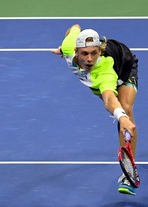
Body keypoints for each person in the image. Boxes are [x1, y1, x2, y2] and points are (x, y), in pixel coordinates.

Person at [52, 24, 139, 196]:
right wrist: (63, 48)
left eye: (94, 53)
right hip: (93, 77)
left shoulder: (105, 70)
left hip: (123, 64)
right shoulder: (70, 46)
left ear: (100, 51)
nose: (90, 58)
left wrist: (121, 116)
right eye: (85, 53)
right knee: (116, 109)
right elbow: (75, 27)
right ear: (76, 51)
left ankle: (129, 171)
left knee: (124, 108)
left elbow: (108, 98)